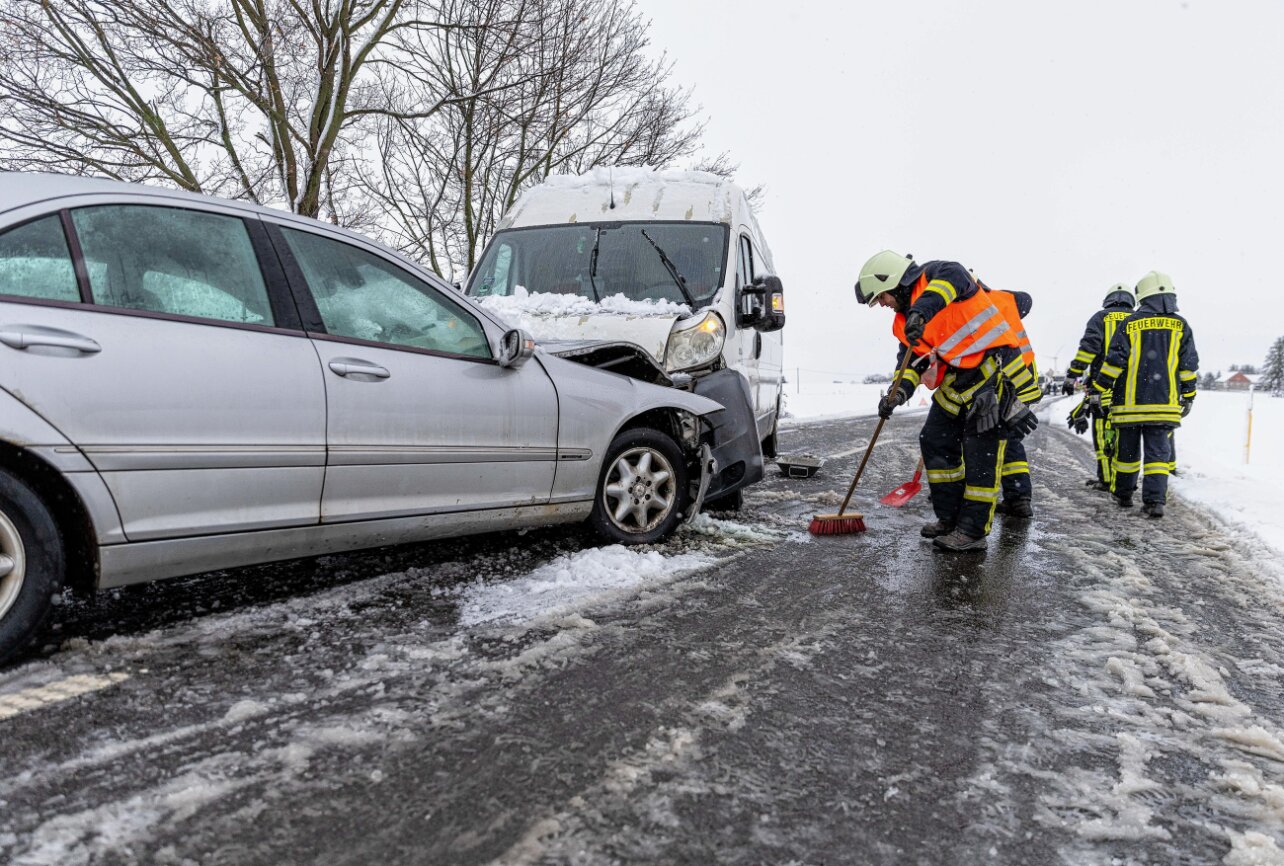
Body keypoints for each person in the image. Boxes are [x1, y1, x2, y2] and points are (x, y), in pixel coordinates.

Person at [857, 251, 1038, 552]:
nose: (884, 305)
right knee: (934, 440)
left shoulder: (937, 275)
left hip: (991, 377)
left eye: (883, 297)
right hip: (958, 381)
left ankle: (972, 531)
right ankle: (950, 517)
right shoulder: (903, 323)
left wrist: (922, 311)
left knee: (981, 455)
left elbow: (955, 274)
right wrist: (897, 392)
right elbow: (910, 360)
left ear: (891, 281)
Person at [1091, 271, 1199, 518]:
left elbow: (1113, 362)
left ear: (1142, 295)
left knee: (1127, 455)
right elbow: (1188, 366)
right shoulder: (1181, 325)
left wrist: (1099, 389)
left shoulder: (1129, 323)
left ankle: (1124, 494)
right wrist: (1189, 395)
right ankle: (1154, 502)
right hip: (1165, 407)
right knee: (1158, 457)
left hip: (1128, 407)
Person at [980, 283, 1042, 519]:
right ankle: (1019, 499)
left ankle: (1014, 499)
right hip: (1023, 371)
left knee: (991, 435)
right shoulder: (1004, 299)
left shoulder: (976, 305)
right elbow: (1025, 299)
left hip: (1005, 375)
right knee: (1010, 437)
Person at [1065, 285, 1135, 490]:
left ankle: (1106, 479)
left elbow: (1088, 348)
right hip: (1130, 393)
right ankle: (1124, 483)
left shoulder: (1100, 318)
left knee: (1102, 436)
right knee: (1124, 440)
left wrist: (1073, 375)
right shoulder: (1138, 320)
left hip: (1101, 390)